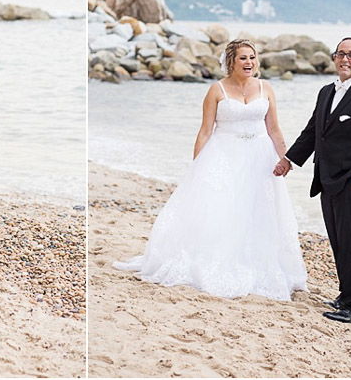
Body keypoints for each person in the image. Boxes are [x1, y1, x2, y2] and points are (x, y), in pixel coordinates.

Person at [114, 39, 307, 301]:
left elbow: (274, 129)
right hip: (224, 156)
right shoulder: (216, 90)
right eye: (242, 58)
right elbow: (205, 131)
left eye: (252, 57)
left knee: (259, 210)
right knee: (223, 209)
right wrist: (198, 168)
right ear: (231, 62)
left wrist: (285, 158)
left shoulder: (266, 88)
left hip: (260, 158)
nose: (249, 62)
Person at [275, 37, 351, 325]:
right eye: (341, 54)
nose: (345, 59)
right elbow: (313, 131)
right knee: (338, 241)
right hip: (326, 179)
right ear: (334, 58)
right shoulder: (326, 91)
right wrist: (289, 160)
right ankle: (344, 295)